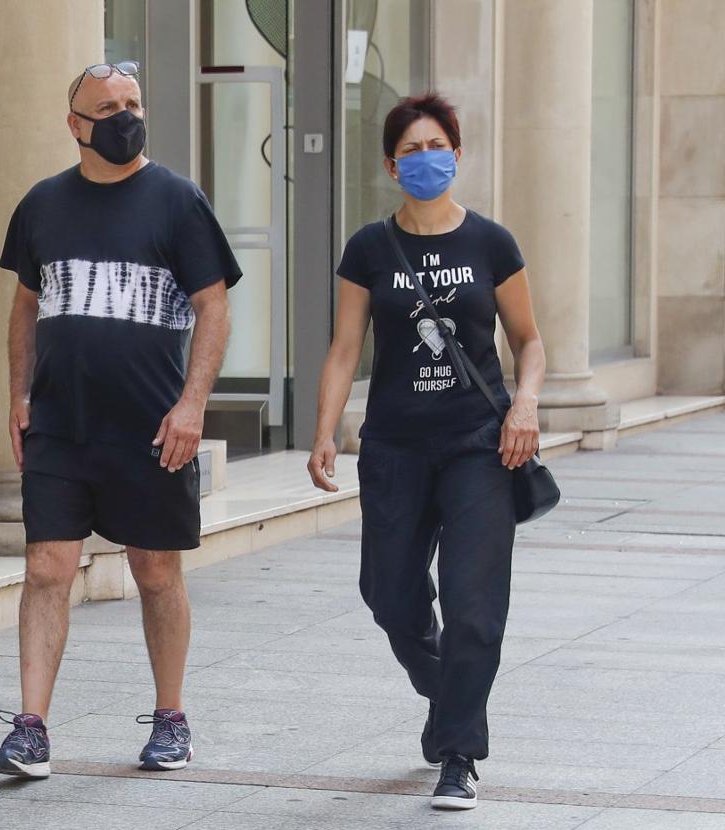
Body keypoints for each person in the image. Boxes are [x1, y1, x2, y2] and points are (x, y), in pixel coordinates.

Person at [0, 61, 242, 779]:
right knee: (46, 568)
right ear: (75, 125)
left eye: (133, 103)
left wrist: (193, 405)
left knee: (155, 571)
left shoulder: (178, 201)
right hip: (61, 425)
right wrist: (18, 394)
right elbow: (26, 305)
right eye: (107, 108)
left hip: (152, 427)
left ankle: (171, 718)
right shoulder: (42, 204)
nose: (124, 116)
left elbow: (214, 306)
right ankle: (31, 729)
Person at [308, 93, 545, 811]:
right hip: (395, 446)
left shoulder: (491, 243)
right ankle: (447, 696)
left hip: (479, 445)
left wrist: (526, 403)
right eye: (410, 150)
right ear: (390, 166)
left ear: (457, 154)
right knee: (388, 594)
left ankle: (458, 754)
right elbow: (345, 347)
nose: (424, 159)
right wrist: (324, 431)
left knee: (475, 607)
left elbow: (529, 340)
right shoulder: (369, 249)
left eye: (436, 146)